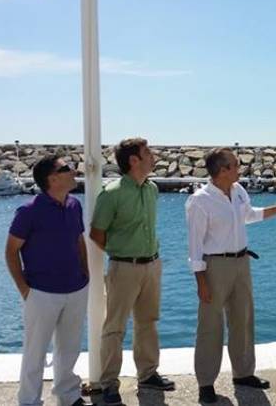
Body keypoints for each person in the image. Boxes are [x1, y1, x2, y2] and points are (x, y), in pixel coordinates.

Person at [186, 148, 276, 404]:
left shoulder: (238, 191)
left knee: (243, 320)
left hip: (241, 262)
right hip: (215, 266)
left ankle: (243, 373)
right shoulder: (200, 201)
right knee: (210, 327)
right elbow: (194, 248)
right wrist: (201, 282)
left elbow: (250, 215)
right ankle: (206, 383)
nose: (240, 168)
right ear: (223, 170)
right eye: (235, 165)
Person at [89, 138, 174, 406]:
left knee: (147, 322)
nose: (153, 155)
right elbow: (96, 233)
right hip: (123, 267)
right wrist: (121, 253)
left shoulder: (152, 190)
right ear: (134, 160)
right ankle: (109, 384)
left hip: (152, 265)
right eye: (147, 152)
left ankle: (147, 374)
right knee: (114, 327)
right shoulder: (111, 193)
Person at [6, 155, 91, 406]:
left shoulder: (74, 205)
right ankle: (29, 401)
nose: (74, 170)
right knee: (35, 352)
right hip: (41, 292)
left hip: (76, 288)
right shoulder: (29, 211)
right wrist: (24, 290)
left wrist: (85, 272)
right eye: (67, 168)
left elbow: (78, 240)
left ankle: (69, 395)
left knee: (69, 348)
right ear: (52, 179)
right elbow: (11, 251)